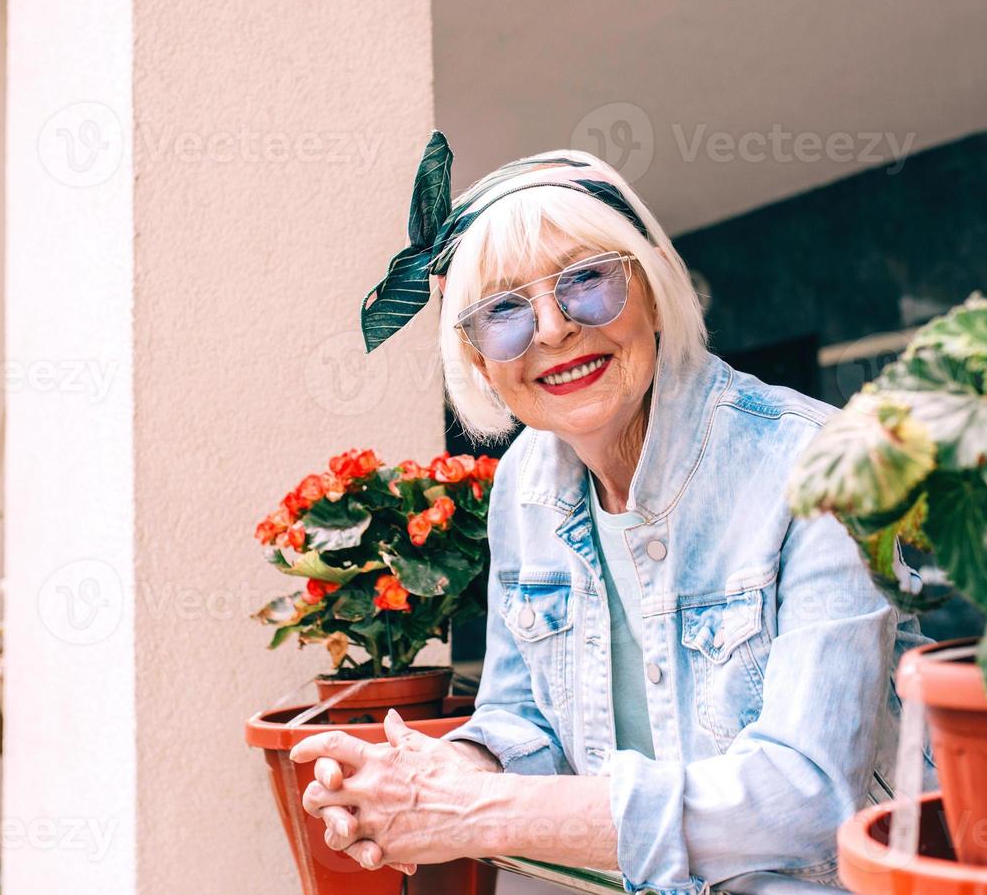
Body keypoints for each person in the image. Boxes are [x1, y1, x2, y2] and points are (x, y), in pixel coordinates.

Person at [291, 131, 934, 893]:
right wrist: (432, 774)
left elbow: (802, 800)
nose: (555, 328)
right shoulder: (523, 483)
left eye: (586, 280)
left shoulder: (819, 465)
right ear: (477, 361)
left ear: (655, 288)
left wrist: (473, 811)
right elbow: (520, 717)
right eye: (503, 312)